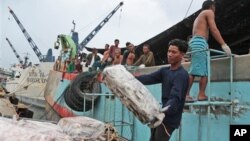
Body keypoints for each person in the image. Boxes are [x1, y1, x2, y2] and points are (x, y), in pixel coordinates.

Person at [135, 39, 189, 141]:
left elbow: (175, 98)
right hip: (160, 116)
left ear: (182, 55)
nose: (170, 54)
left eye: (174, 52)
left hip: (169, 119)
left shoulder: (181, 75)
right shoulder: (165, 71)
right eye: (169, 51)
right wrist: (129, 77)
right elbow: (148, 78)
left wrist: (164, 111)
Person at [186, 0, 232, 102]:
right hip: (199, 42)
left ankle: (200, 94)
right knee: (195, 71)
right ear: (212, 6)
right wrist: (223, 44)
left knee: (203, 71)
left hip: (196, 42)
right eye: (214, 7)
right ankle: (189, 94)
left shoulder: (198, 17)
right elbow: (214, 29)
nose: (215, 10)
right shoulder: (208, 12)